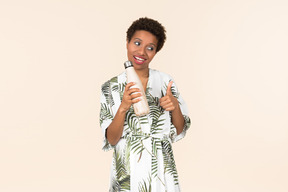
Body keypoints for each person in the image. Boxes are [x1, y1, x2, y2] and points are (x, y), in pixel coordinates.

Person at [100, 17, 191, 192]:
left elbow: (179, 130)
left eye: (150, 48)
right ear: (127, 42)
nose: (142, 52)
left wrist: (175, 106)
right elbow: (111, 139)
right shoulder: (110, 87)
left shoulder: (166, 82)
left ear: (155, 52)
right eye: (137, 43)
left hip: (161, 166)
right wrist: (124, 106)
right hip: (127, 167)